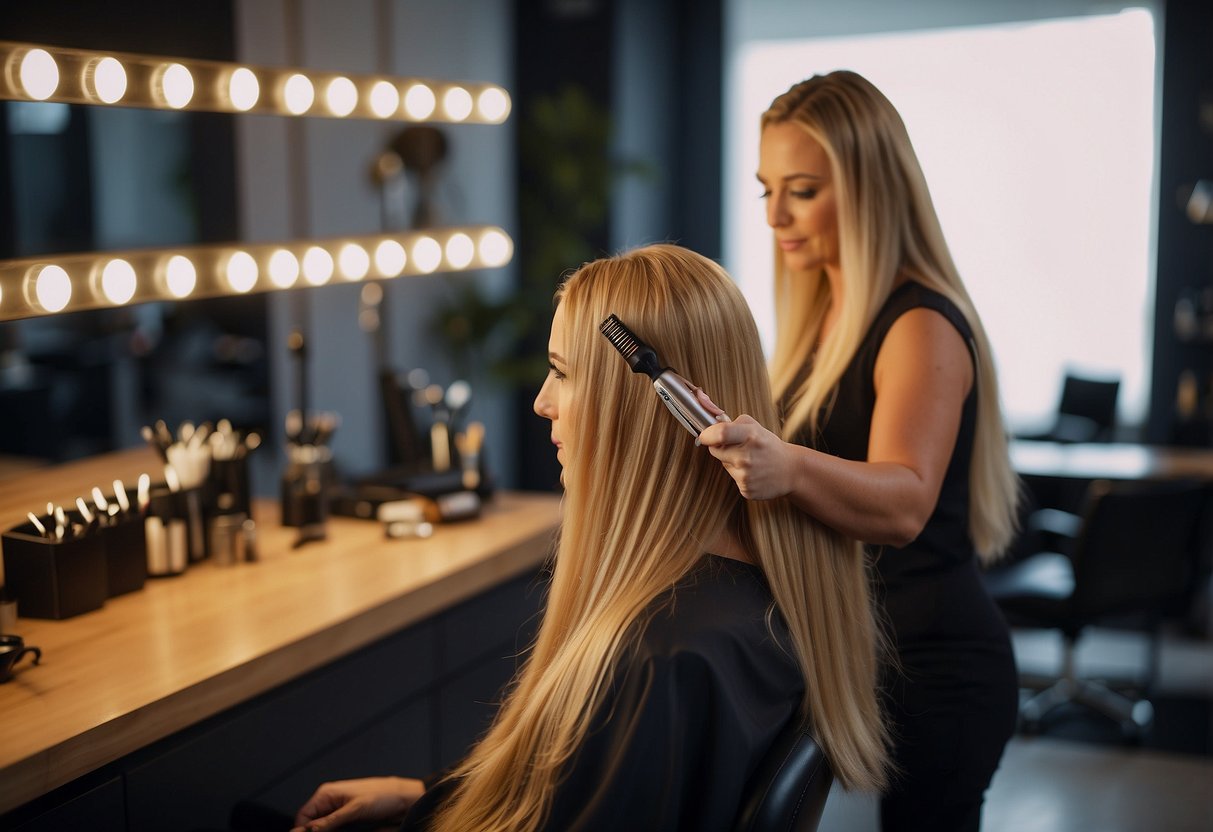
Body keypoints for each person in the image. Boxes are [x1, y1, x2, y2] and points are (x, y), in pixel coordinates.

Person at [288, 244, 889, 832]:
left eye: (562, 372)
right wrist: (425, 797)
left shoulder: (659, 656)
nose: (541, 402)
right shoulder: (764, 597)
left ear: (638, 401)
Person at [697, 71, 1022, 832]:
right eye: (765, 189)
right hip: (860, 653)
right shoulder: (821, 315)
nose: (775, 214)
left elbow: (905, 501)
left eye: (802, 190)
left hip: (940, 665)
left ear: (869, 188)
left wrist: (786, 465)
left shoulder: (919, 323)